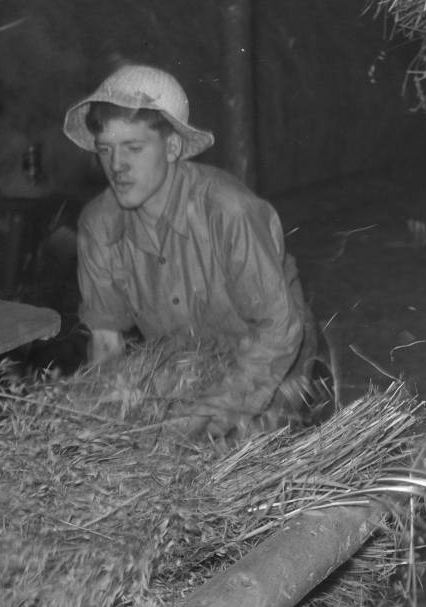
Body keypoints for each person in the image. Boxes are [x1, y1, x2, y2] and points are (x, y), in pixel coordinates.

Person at [63, 63, 329, 438]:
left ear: (172, 147)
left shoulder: (227, 212)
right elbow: (106, 342)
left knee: (238, 457)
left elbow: (279, 330)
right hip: (186, 365)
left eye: (133, 148)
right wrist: (107, 415)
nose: (116, 166)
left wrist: (221, 407)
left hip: (274, 364)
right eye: (105, 150)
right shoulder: (99, 224)